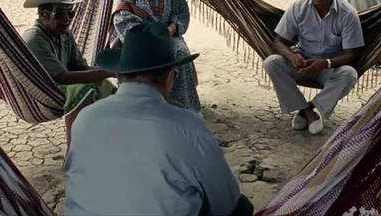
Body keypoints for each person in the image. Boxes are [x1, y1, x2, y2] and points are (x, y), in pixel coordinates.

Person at [65, 21, 252, 215]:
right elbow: (226, 203)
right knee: (242, 208)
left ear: (119, 75)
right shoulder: (188, 129)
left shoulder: (85, 118)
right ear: (171, 76)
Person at [263, 0, 364, 135]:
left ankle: (307, 109)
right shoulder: (298, 8)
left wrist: (324, 63)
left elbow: (352, 54)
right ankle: (309, 112)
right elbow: (279, 42)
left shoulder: (348, 14)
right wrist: (292, 57)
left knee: (349, 74)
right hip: (301, 64)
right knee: (272, 62)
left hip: (330, 69)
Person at [111, 0, 201, 114]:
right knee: (143, 58)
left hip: (168, 36)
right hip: (139, 37)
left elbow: (182, 12)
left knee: (180, 52)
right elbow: (122, 14)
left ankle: (184, 108)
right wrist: (146, 33)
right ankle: (146, 105)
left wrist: (173, 28)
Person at [21, 0, 117, 145]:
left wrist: (110, 70)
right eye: (59, 14)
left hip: (61, 84)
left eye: (70, 14)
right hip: (42, 92)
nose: (67, 20)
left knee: (104, 86)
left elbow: (80, 68)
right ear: (43, 14)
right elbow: (63, 77)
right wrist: (109, 71)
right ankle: (73, 150)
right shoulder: (35, 39)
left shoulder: (64, 34)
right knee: (83, 90)